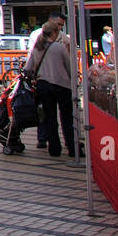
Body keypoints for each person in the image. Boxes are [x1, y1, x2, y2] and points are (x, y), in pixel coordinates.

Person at [26, 20, 75, 158]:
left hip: (43, 85)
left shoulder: (37, 48)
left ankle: (54, 149)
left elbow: (28, 68)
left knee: (49, 118)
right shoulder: (59, 48)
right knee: (67, 118)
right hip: (62, 86)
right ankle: (72, 147)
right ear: (54, 32)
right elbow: (70, 67)